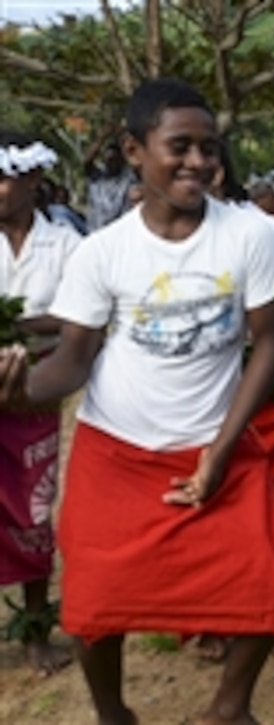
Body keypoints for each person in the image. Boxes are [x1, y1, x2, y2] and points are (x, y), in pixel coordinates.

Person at [0, 78, 274, 724]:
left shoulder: (249, 235)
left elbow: (268, 343)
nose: (198, 161)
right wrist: (21, 391)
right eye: (179, 146)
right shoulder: (103, 251)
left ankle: (228, 709)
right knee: (93, 603)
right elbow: (74, 357)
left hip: (216, 441)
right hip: (115, 451)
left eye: (208, 147)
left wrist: (220, 454)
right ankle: (114, 712)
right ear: (134, 150)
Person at [0, 132, 80, 676]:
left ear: (31, 180)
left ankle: (35, 632)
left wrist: (19, 326)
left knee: (30, 507)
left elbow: (79, 313)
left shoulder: (67, 243)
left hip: (34, 391)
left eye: (5, 177)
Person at [83, 127, 137, 231]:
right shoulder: (96, 178)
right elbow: (87, 160)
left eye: (115, 159)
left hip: (120, 234)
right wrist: (102, 137)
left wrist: (122, 137)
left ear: (122, 160)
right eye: (108, 159)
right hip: (96, 233)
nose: (111, 162)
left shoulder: (129, 178)